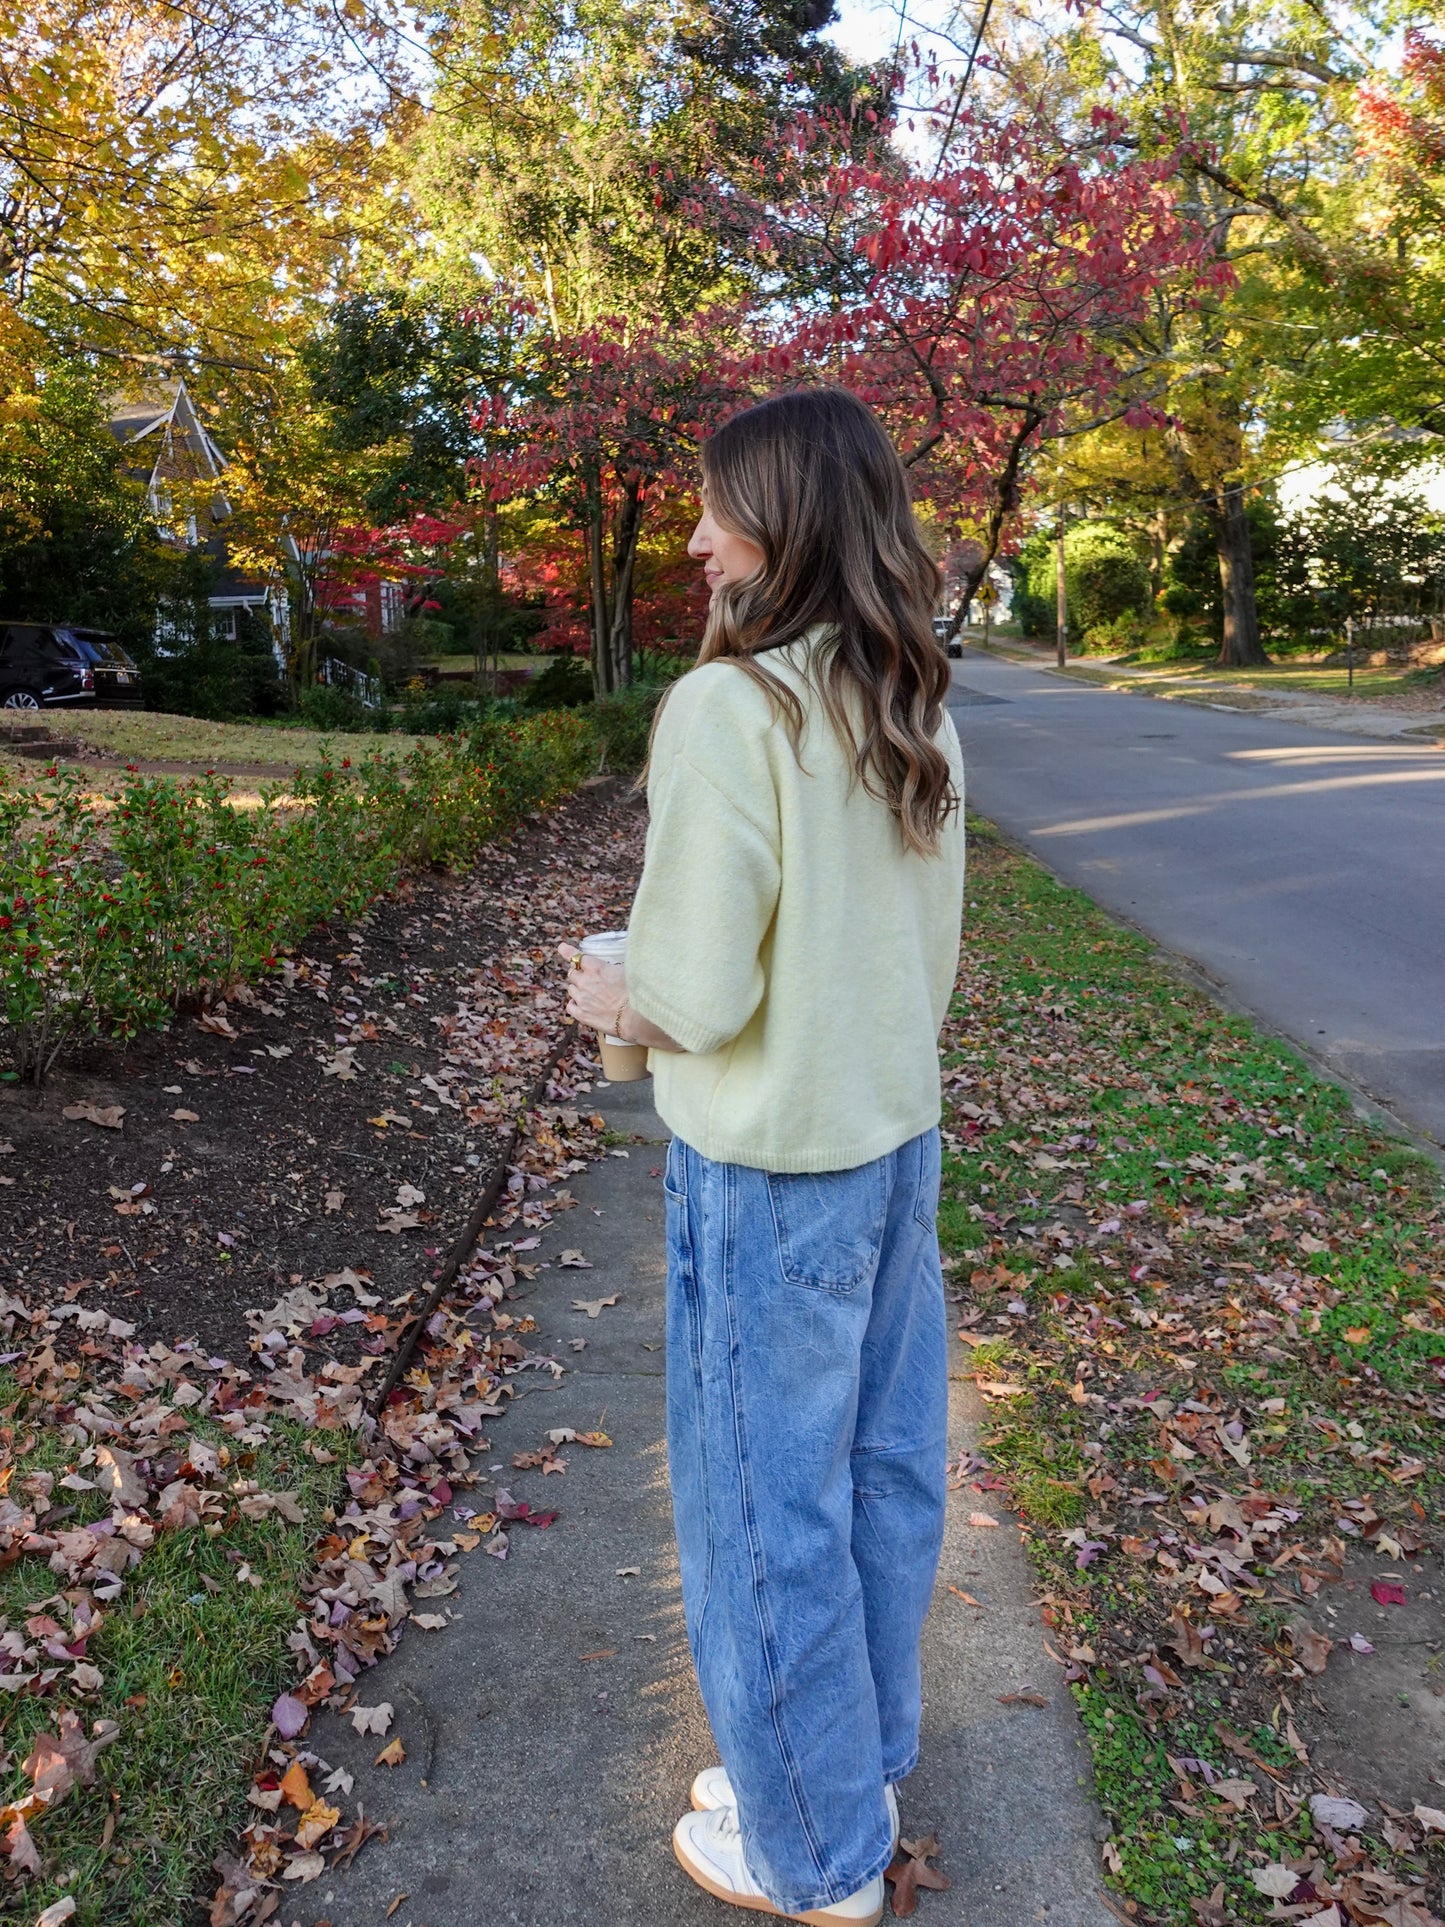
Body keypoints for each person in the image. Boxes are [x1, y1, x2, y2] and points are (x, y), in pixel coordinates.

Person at [560, 386, 966, 1926]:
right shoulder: (908, 699)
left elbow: (695, 991)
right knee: (875, 1478)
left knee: (756, 1505)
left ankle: (809, 1854)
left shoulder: (733, 708)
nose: (692, 534)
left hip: (772, 1173)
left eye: (716, 505)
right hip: (887, 1146)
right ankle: (840, 1771)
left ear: (782, 521)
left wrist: (615, 995)